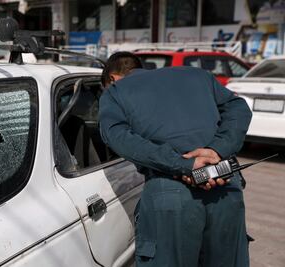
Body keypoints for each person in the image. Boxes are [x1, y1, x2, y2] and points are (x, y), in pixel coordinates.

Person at [98, 52, 252, 267]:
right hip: (224, 184)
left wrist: (184, 164)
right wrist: (217, 150)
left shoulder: (115, 92)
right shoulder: (197, 75)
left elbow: (117, 136)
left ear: (112, 78)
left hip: (170, 193)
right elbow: (239, 107)